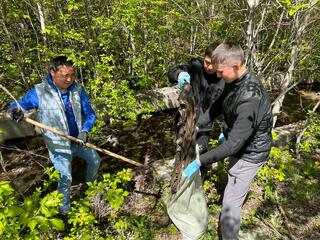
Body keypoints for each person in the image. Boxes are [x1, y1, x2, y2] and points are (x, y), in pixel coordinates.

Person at [183, 43, 273, 239]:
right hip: (240, 144)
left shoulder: (251, 97)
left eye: (221, 71)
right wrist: (198, 126)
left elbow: (232, 145)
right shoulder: (233, 81)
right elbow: (217, 107)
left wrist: (200, 161)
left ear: (236, 65)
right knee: (233, 176)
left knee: (230, 206)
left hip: (251, 153)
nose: (217, 76)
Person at [7, 56, 101, 214]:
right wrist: (13, 111)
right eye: (65, 75)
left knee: (95, 160)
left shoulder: (78, 90)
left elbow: (90, 114)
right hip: (57, 144)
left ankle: (90, 189)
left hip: (78, 140)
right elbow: (19, 105)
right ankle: (64, 210)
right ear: (52, 72)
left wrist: (85, 130)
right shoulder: (39, 92)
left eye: (72, 75)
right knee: (65, 178)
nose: (70, 79)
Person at [168, 43, 225, 154]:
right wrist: (179, 74)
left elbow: (225, 108)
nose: (209, 67)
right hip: (184, 123)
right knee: (182, 155)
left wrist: (225, 130)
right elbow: (172, 72)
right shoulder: (195, 67)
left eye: (213, 64)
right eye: (207, 62)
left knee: (199, 157)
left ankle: (202, 170)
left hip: (204, 129)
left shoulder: (223, 79)